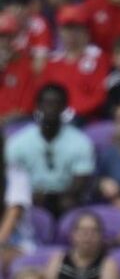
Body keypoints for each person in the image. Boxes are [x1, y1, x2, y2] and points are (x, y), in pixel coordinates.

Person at [5, 84, 94, 216]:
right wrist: (28, 194)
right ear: (38, 106)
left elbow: (81, 179)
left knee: (69, 203)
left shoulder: (80, 141)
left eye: (56, 103)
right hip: (29, 198)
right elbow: (11, 177)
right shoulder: (18, 142)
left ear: (64, 107)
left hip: (64, 198)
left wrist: (65, 196)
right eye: (47, 103)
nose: (51, 108)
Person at [43, 4, 110, 121]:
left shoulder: (98, 57)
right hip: (56, 118)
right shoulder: (52, 61)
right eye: (66, 28)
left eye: (76, 28)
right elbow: (45, 94)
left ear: (86, 30)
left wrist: (71, 114)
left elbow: (100, 96)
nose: (71, 33)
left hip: (87, 119)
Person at [45, 212, 119, 279]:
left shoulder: (108, 264)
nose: (88, 236)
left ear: (101, 236)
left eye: (94, 231)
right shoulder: (58, 259)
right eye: (83, 231)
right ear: (72, 234)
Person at [0, 12, 35, 125]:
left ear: (16, 37)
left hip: (16, 125)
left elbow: (25, 109)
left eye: (9, 36)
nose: (5, 42)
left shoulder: (27, 65)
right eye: (1, 37)